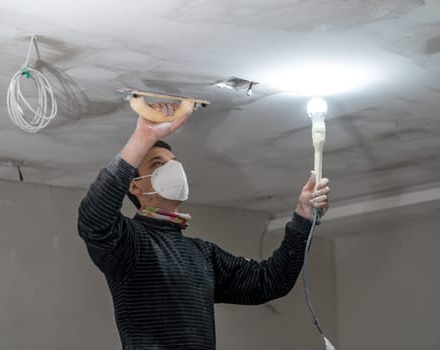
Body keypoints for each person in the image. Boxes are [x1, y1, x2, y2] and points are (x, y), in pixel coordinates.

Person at [78, 103, 330, 350]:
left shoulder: (202, 255)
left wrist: (303, 218)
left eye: (174, 161)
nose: (172, 168)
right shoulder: (128, 243)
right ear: (134, 186)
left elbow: (270, 281)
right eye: (157, 163)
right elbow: (94, 218)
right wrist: (143, 137)